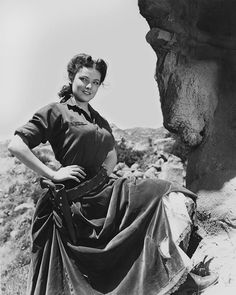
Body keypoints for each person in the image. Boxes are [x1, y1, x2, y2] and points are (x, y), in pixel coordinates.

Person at [8, 53, 218, 295]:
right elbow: (17, 145)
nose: (89, 86)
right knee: (157, 195)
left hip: (106, 189)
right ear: (71, 77)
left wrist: (105, 177)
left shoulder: (98, 119)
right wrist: (53, 174)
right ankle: (179, 280)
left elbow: (111, 155)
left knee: (164, 194)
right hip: (79, 202)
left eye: (95, 82)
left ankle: (177, 275)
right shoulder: (56, 111)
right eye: (84, 79)